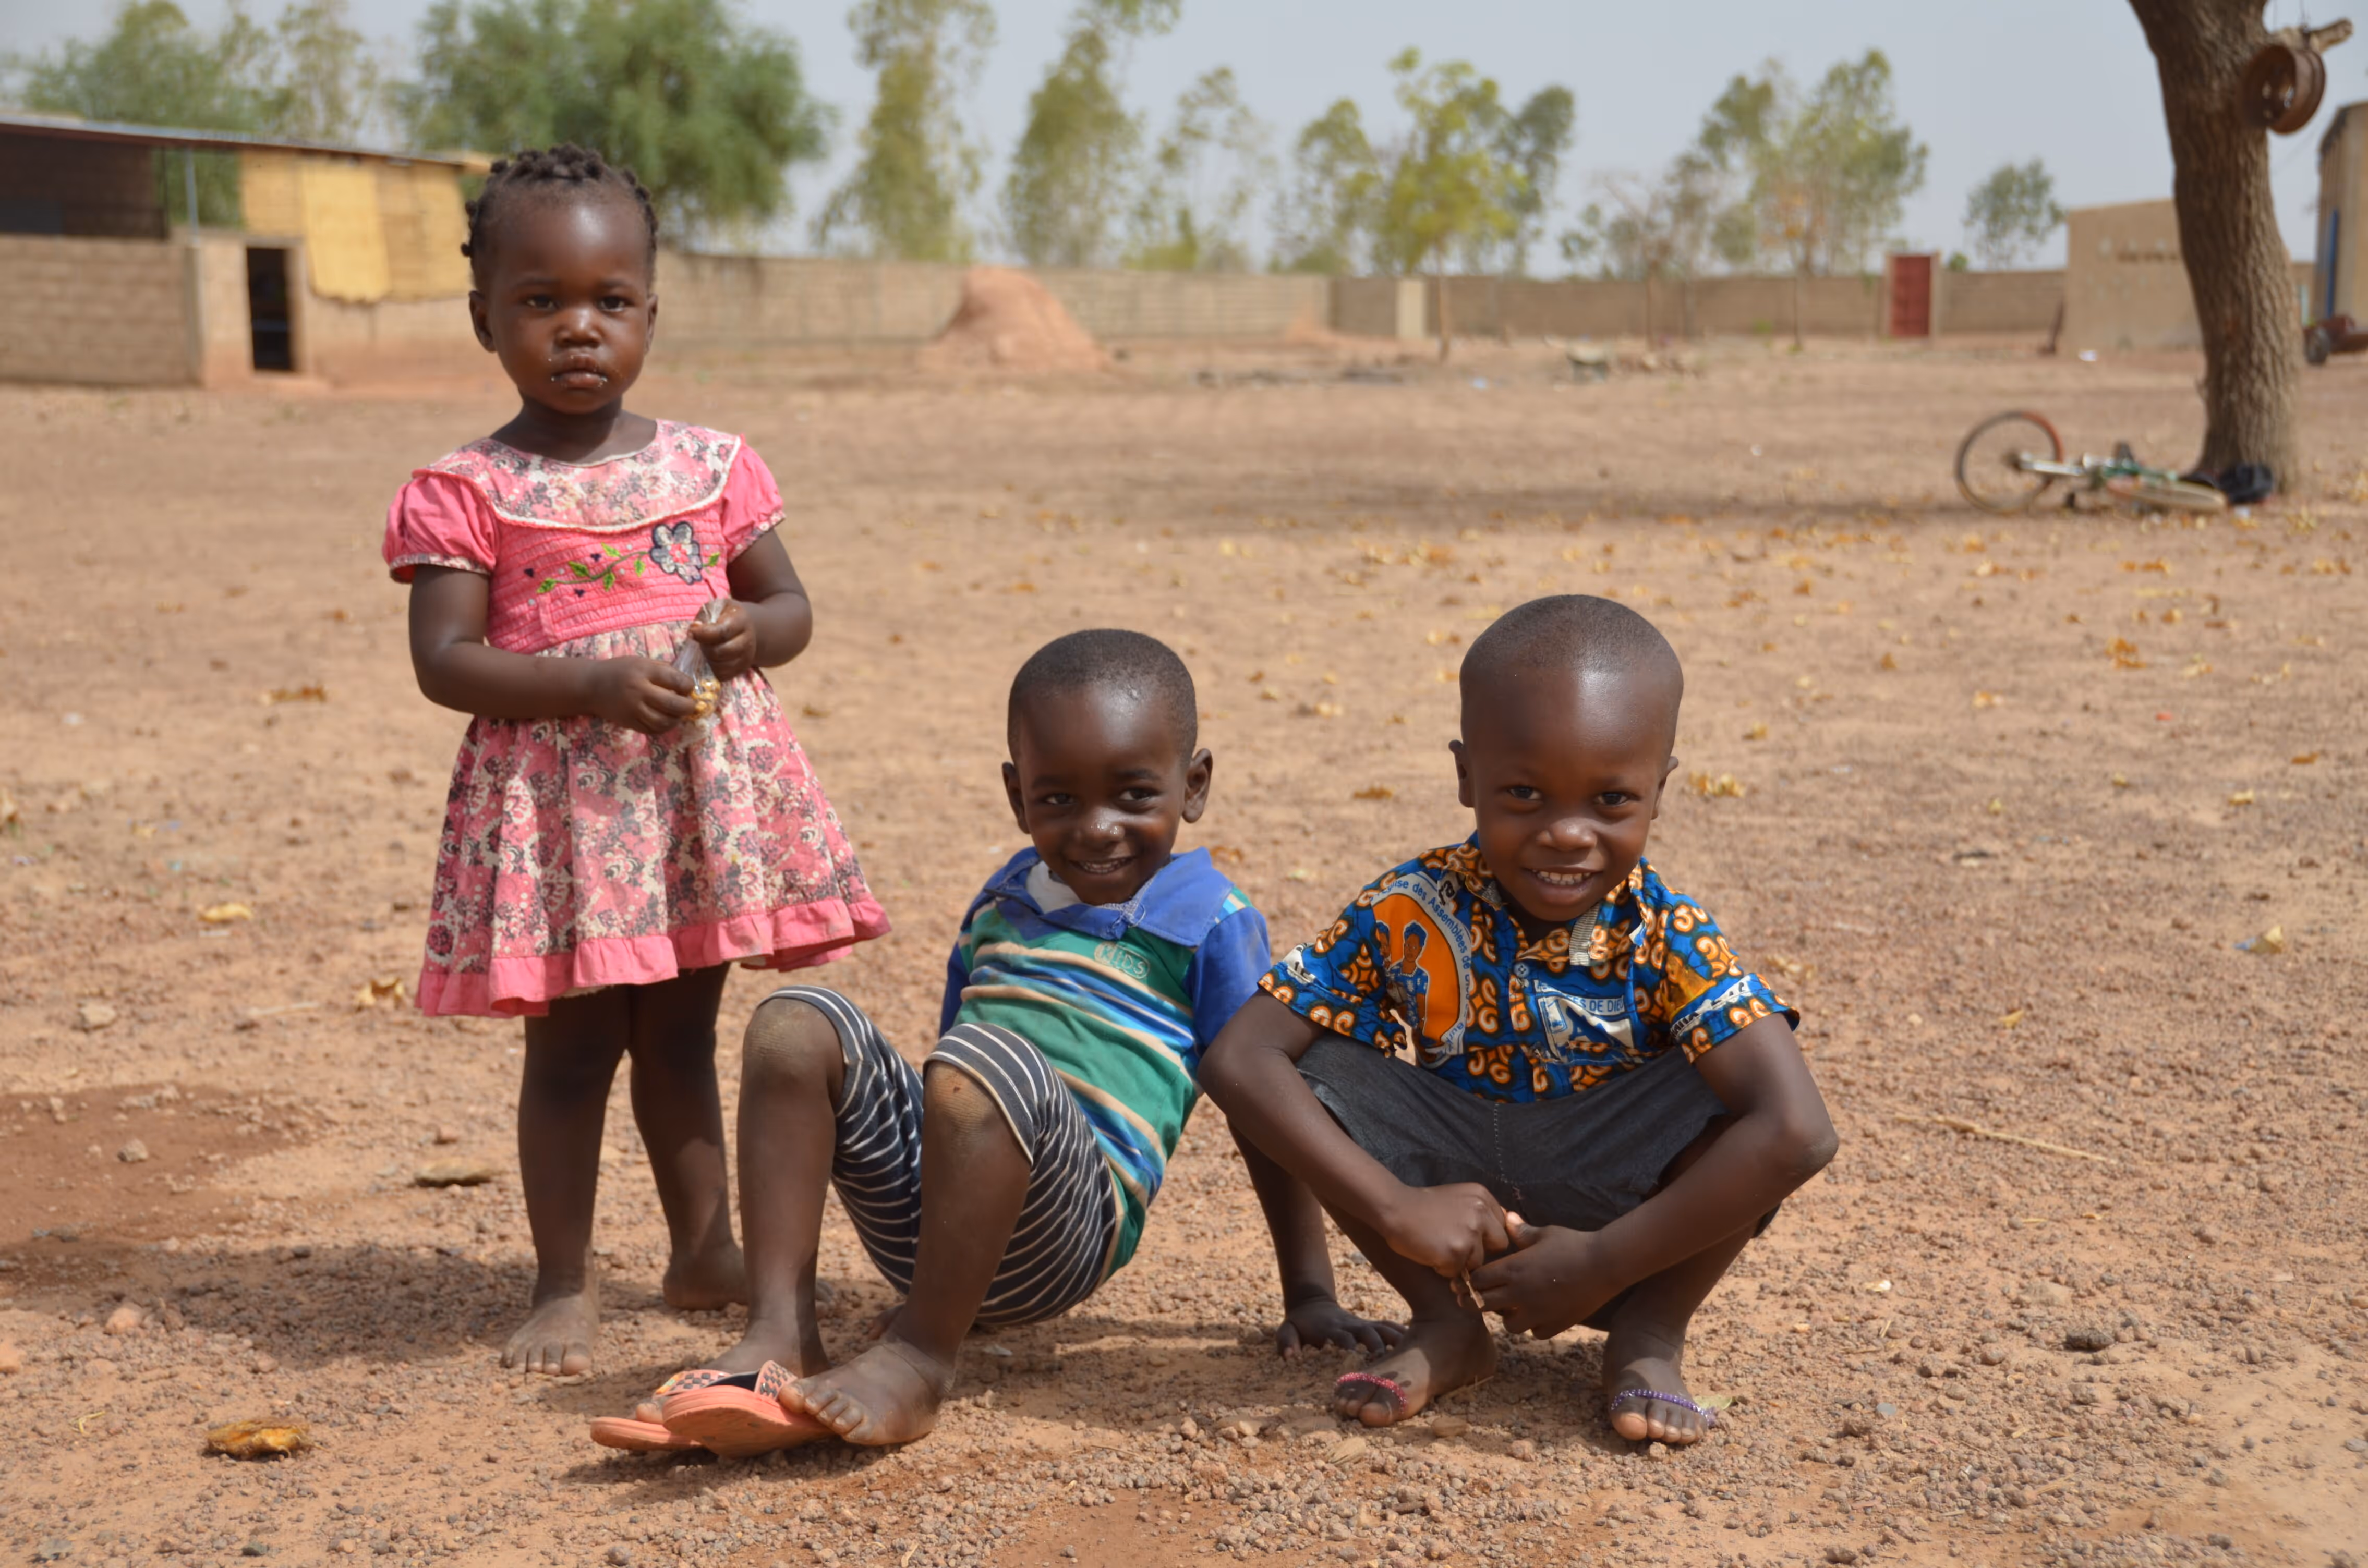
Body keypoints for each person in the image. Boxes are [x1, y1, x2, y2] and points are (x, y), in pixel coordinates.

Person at [596, 630, 1398, 1457]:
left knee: (990, 1057)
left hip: (1068, 1225)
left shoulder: (1210, 923)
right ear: (1018, 797)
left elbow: (1262, 1105)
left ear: (1192, 786)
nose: (1097, 829)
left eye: (1132, 795)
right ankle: (779, 1333)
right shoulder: (1005, 895)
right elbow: (946, 1075)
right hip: (937, 1214)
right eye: (1058, 801)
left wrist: (1309, 1291)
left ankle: (919, 1355)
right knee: (794, 1021)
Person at [383, 145, 889, 1379]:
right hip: (558, 818)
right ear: (482, 317)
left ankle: (704, 1247)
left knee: (680, 1041)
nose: (578, 330)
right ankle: (562, 1284)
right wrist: (590, 688)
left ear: (650, 314)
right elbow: (445, 660)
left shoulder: (711, 468)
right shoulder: (469, 489)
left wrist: (742, 633)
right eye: (540, 301)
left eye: (610, 302)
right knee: (569, 1053)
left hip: (688, 808)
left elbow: (791, 611)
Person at [1202, 594, 1838, 1448]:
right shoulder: (1408, 908)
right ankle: (1445, 1325)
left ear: (1661, 787)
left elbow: (1801, 1132)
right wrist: (1394, 1207)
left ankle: (1649, 1335)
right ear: (1467, 776)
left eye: (1612, 799)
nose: (1567, 833)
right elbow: (1239, 1058)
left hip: (1621, 1224)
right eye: (1524, 792)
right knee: (1304, 1069)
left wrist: (1603, 1262)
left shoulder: (1667, 934)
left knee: (1743, 1100)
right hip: (1450, 1209)